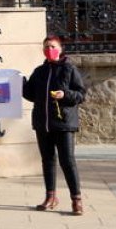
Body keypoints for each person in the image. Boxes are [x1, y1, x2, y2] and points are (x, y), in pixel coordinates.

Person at [22, 35, 87, 216]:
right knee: (48, 160)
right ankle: (50, 197)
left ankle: (76, 200)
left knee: (67, 161)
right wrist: (22, 83)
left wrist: (64, 95)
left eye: (52, 46)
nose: (49, 49)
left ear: (60, 48)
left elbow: (81, 94)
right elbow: (31, 95)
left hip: (64, 123)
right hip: (43, 124)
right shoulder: (39, 71)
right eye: (46, 47)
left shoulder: (69, 69)